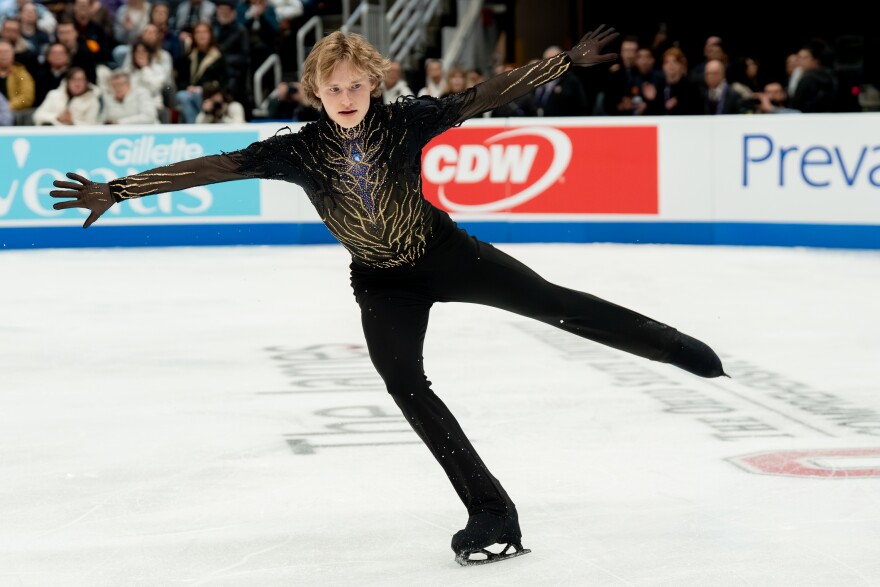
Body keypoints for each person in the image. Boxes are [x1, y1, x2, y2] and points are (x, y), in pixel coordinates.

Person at [49, 26, 727, 567]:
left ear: (371, 82)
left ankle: (673, 346)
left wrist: (561, 63)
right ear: (314, 90)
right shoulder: (299, 150)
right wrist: (117, 190)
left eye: (354, 84)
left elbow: (486, 94)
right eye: (331, 86)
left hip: (448, 255)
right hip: (381, 281)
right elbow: (213, 168)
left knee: (553, 300)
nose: (344, 95)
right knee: (404, 381)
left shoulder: (408, 121)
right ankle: (492, 511)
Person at [32, 65, 101, 125]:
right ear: (67, 81)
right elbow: (37, 116)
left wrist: (72, 122)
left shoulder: (92, 101)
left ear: (86, 82)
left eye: (81, 80)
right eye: (73, 79)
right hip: (53, 136)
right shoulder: (53, 95)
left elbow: (92, 126)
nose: (77, 84)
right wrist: (57, 118)